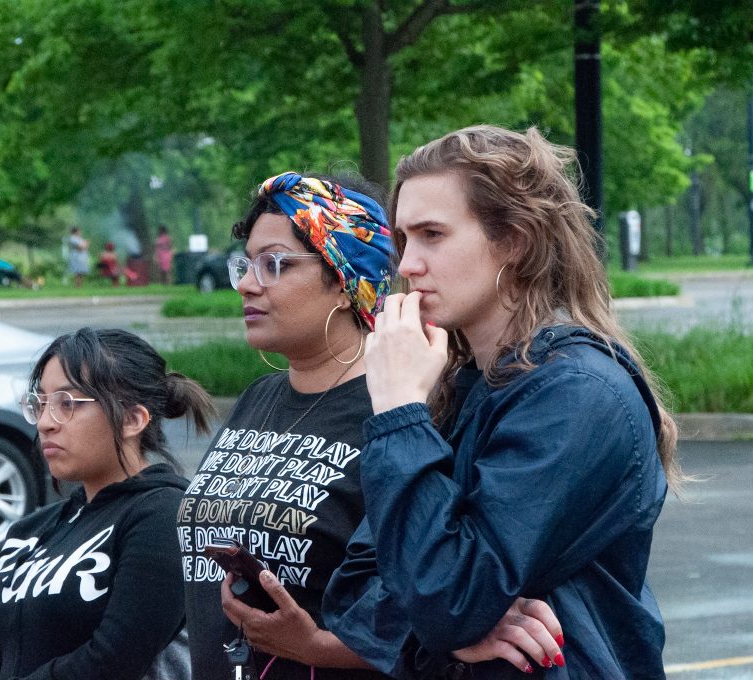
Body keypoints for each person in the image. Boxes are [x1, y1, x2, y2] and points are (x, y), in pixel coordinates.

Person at [325, 125, 683, 679]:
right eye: (403, 240)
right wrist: (455, 632)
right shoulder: (456, 380)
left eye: (432, 235)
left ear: (514, 240)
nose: (407, 265)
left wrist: (398, 411)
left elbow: (446, 596)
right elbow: (354, 591)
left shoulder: (579, 393)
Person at [178, 171, 563, 680]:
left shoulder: (400, 406)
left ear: (343, 279)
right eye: (245, 264)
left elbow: (428, 600)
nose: (248, 283)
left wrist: (317, 646)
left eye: (274, 264)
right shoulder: (259, 398)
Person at [0, 327, 213, 679]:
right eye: (41, 403)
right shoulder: (28, 533)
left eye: (67, 404)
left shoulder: (165, 516)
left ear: (132, 419)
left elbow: (113, 661)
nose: (46, 423)